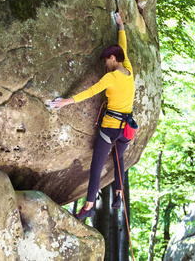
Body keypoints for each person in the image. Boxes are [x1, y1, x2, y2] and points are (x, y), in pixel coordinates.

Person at [50, 12, 135, 220]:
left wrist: (66, 102)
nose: (104, 65)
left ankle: (88, 207)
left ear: (113, 59)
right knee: (119, 157)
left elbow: (91, 91)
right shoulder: (129, 70)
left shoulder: (111, 77)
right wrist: (121, 26)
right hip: (127, 129)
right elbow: (123, 47)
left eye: (106, 61)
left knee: (96, 167)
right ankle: (118, 192)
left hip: (111, 128)